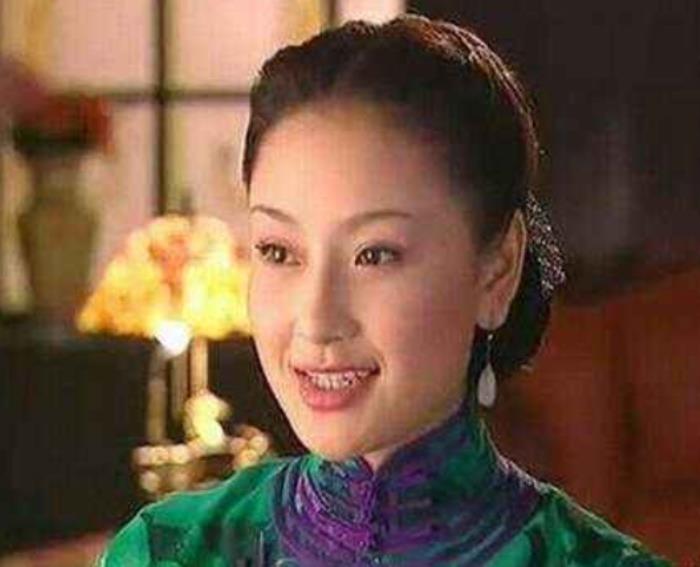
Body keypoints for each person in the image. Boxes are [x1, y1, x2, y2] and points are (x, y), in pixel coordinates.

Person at [100, 15, 669, 566]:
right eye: (278, 251)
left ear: (497, 270)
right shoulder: (167, 552)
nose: (316, 320)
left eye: (374, 254)